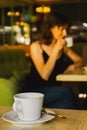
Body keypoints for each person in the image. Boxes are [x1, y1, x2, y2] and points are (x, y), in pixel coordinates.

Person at [22, 11, 84, 109]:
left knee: (64, 105)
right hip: (34, 92)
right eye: (62, 29)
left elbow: (81, 60)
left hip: (53, 92)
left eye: (66, 29)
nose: (65, 33)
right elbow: (44, 75)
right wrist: (55, 50)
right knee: (67, 92)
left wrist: (72, 66)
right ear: (51, 28)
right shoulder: (36, 46)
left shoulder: (62, 47)